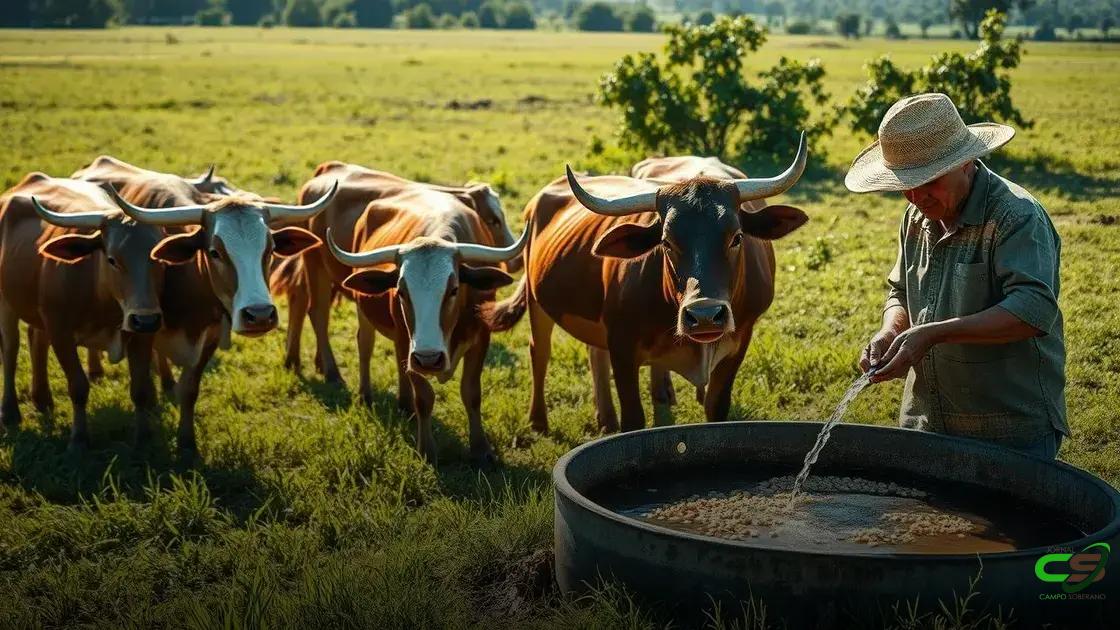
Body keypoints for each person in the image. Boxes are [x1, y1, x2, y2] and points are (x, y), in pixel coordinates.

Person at [845, 93, 1067, 459]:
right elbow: (900, 291)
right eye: (905, 185)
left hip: (1007, 431)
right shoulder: (917, 215)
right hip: (925, 421)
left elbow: (1033, 310)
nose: (916, 197)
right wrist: (890, 332)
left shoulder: (1016, 216)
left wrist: (933, 334)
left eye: (929, 181)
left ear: (966, 163)